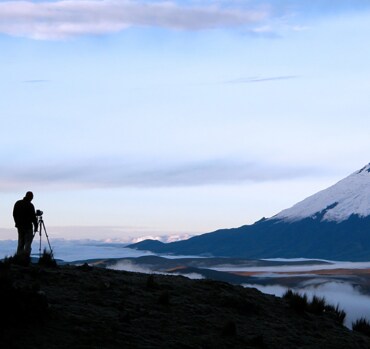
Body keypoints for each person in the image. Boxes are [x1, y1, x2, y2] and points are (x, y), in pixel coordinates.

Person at [13, 191, 38, 257]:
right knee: (28, 243)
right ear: (30, 197)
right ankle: (26, 258)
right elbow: (33, 217)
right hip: (28, 227)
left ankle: (19, 257)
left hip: (19, 226)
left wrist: (17, 223)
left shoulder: (18, 203)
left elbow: (14, 214)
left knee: (20, 243)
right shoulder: (30, 205)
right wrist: (36, 227)